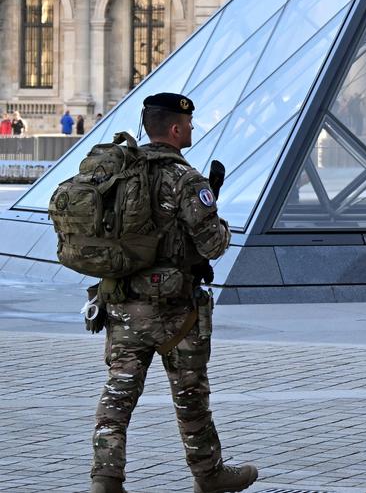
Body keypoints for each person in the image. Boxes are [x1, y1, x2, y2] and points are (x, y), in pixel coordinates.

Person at [90, 93, 257, 493]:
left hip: (122, 302)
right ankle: (209, 475)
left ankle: (105, 478)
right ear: (176, 128)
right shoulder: (186, 179)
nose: (193, 128)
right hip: (176, 310)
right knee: (190, 394)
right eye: (190, 123)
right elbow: (213, 245)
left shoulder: (119, 172)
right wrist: (220, 222)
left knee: (118, 393)